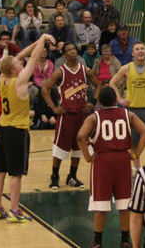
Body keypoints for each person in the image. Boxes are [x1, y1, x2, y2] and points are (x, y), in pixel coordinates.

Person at [0, 33, 55, 222]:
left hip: (3, 130)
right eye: (18, 64)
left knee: (0, 171)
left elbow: (19, 57)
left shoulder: (3, 78)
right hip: (17, 132)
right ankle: (14, 210)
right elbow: (33, 59)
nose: (21, 63)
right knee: (16, 174)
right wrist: (42, 39)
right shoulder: (19, 81)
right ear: (13, 70)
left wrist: (36, 42)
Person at [77, 87, 145, 248]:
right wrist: (136, 154)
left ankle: (97, 241)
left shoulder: (94, 117)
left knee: (100, 205)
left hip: (103, 161)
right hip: (123, 160)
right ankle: (125, 240)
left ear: (100, 102)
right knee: (124, 204)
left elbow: (81, 136)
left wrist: (88, 157)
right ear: (115, 100)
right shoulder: (128, 114)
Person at [41, 43, 101, 190]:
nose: (72, 51)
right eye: (69, 50)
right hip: (66, 115)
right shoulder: (60, 72)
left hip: (81, 114)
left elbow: (98, 85)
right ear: (64, 55)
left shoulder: (85, 70)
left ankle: (72, 176)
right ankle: (54, 176)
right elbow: (44, 89)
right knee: (60, 147)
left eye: (74, 49)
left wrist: (92, 101)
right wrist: (54, 107)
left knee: (78, 146)